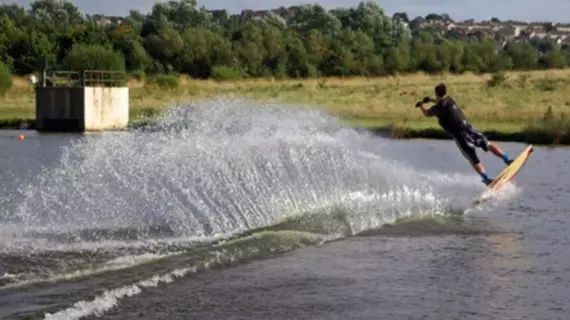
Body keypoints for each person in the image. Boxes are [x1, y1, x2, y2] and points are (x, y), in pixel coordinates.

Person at [414, 83, 513, 186]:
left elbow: (427, 113)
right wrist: (430, 100)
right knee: (487, 143)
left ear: (436, 93)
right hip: (468, 128)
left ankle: (486, 179)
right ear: (445, 92)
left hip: (459, 135)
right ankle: (507, 159)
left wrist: (421, 105)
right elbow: (440, 100)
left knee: (473, 158)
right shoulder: (450, 99)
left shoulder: (436, 109)